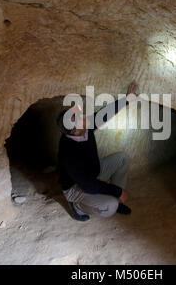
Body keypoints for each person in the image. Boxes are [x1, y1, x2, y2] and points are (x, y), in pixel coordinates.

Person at [56, 81, 138, 221]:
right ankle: (77, 206)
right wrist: (117, 191)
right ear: (74, 131)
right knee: (109, 206)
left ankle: (117, 201)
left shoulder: (85, 126)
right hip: (76, 187)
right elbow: (88, 185)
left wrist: (127, 99)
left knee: (122, 158)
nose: (83, 117)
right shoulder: (68, 152)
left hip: (93, 173)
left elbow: (104, 114)